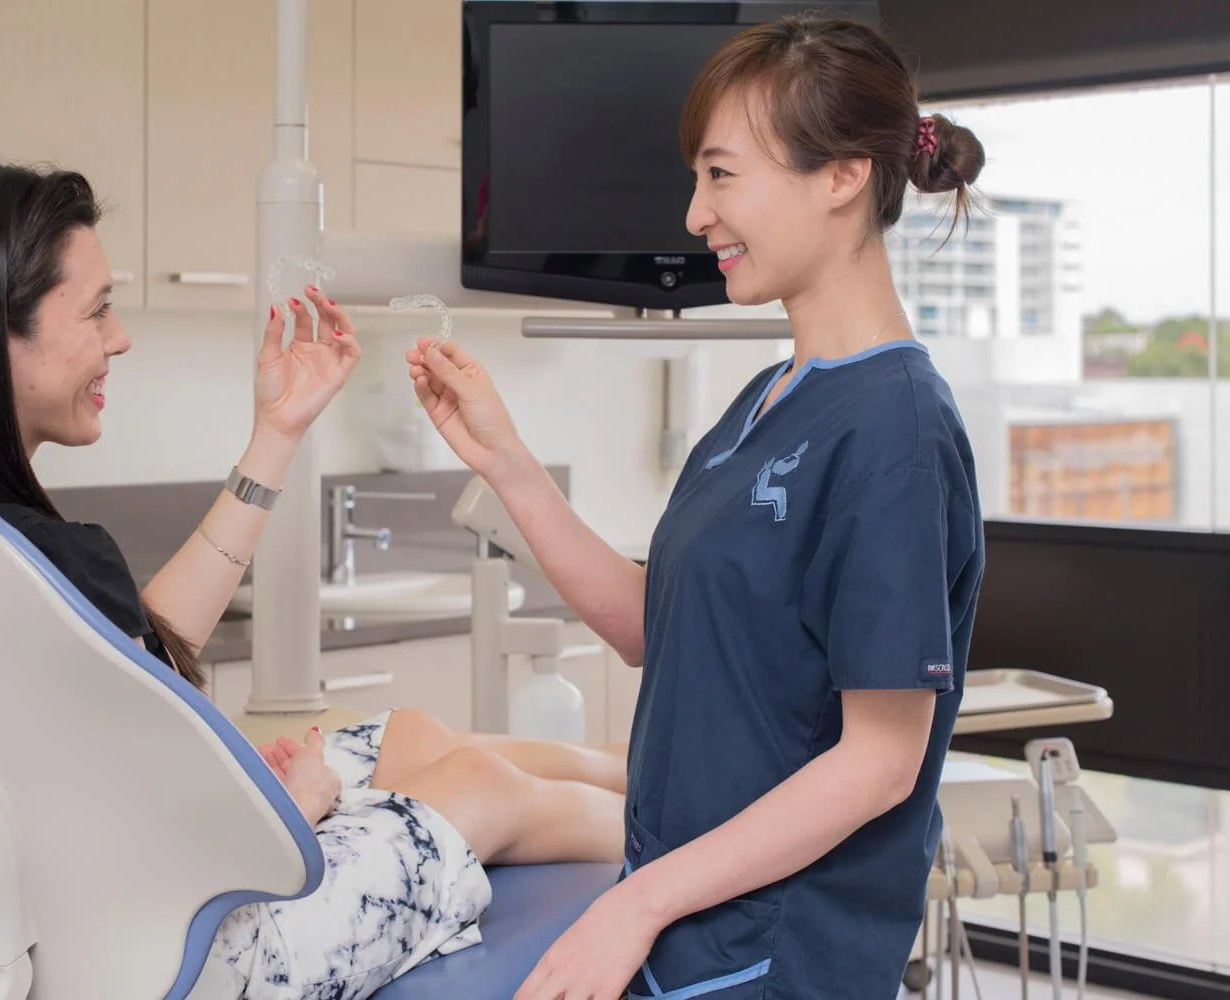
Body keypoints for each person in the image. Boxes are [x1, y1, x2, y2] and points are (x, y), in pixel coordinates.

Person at [0, 159, 628, 1000]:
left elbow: (129, 665)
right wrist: (285, 808)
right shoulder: (17, 555)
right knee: (477, 785)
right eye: (98, 309)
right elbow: (139, 821)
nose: (120, 337)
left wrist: (278, 430)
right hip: (208, 951)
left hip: (102, 915)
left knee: (412, 737)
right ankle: (693, 832)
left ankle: (661, 766)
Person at [408, 13, 987, 1000]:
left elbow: (880, 764)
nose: (693, 213)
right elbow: (654, 628)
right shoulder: (764, 401)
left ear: (842, 174)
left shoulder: (896, 429)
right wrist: (507, 463)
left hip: (774, 960)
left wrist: (632, 906)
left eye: (721, 175)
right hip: (687, 938)